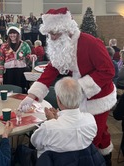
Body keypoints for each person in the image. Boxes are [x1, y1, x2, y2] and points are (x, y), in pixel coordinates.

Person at [19, 7, 116, 166]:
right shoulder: (60, 45)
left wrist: (79, 87)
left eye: (55, 33)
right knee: (90, 132)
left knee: (96, 135)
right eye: (49, 34)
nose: (52, 38)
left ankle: (101, 160)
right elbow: (52, 69)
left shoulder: (91, 43)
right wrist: (32, 96)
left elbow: (108, 70)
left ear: (66, 30)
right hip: (77, 97)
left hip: (97, 97)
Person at [31, 77, 97, 157]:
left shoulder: (48, 127)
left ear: (58, 99)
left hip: (51, 161)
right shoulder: (90, 120)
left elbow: (35, 143)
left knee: (20, 150)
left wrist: (51, 122)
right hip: (83, 161)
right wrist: (56, 119)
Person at [0, 25, 36, 93]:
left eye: (14, 33)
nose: (12, 35)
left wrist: (31, 57)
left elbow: (28, 60)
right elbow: (0, 62)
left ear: (18, 34)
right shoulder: (4, 46)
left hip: (21, 72)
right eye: (10, 33)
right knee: (9, 92)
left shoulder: (25, 45)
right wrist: (0, 76)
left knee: (21, 91)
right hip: (9, 73)